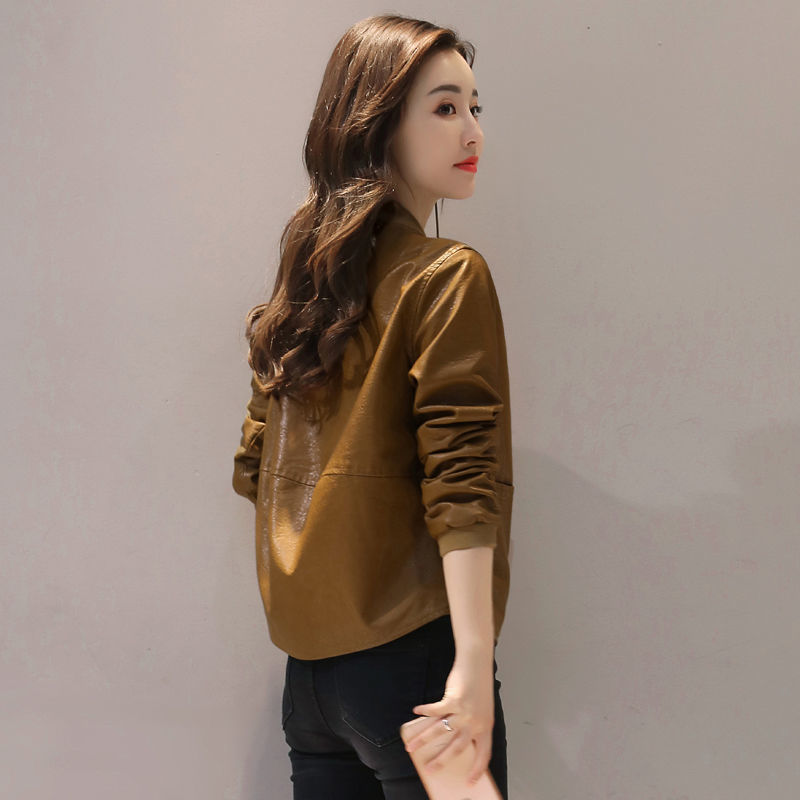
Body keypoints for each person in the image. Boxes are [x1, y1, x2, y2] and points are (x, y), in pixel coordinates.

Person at [232, 14, 514, 800]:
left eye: (475, 107)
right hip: (419, 671)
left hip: (310, 686)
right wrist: (471, 664)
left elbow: (255, 469)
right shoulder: (445, 276)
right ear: (376, 124)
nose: (473, 131)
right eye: (445, 107)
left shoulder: (300, 297)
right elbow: (463, 478)